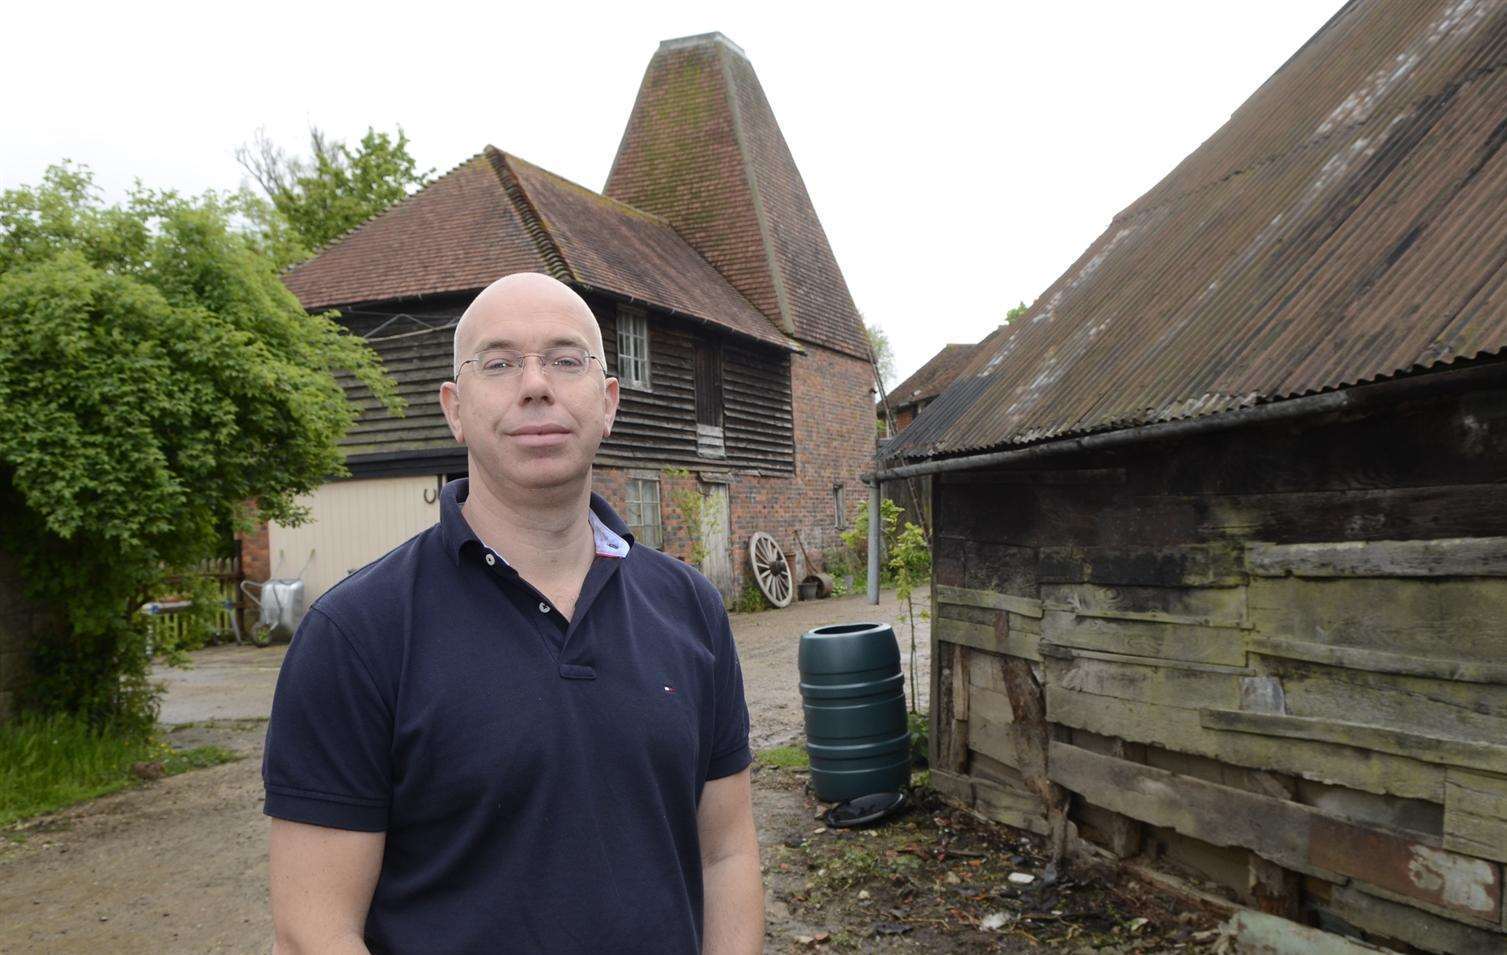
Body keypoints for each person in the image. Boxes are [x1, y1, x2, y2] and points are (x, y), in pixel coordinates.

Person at [262, 273, 763, 954]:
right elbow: (314, 930)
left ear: (608, 401)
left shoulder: (690, 607)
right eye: (498, 363)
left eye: (565, 359)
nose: (535, 384)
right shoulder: (356, 634)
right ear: (455, 407)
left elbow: (725, 855)